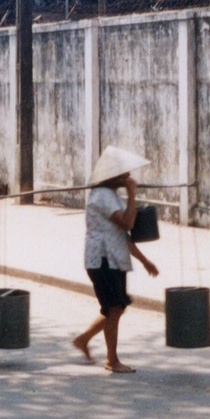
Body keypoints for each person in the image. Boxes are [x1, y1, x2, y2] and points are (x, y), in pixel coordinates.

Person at [71, 146, 161, 373]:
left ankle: (84, 339)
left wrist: (144, 260)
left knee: (117, 307)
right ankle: (112, 360)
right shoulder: (102, 197)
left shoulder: (111, 196)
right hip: (102, 259)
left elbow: (123, 236)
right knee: (113, 308)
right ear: (112, 177)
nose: (128, 177)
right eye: (124, 174)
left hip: (114, 257)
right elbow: (128, 223)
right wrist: (132, 194)